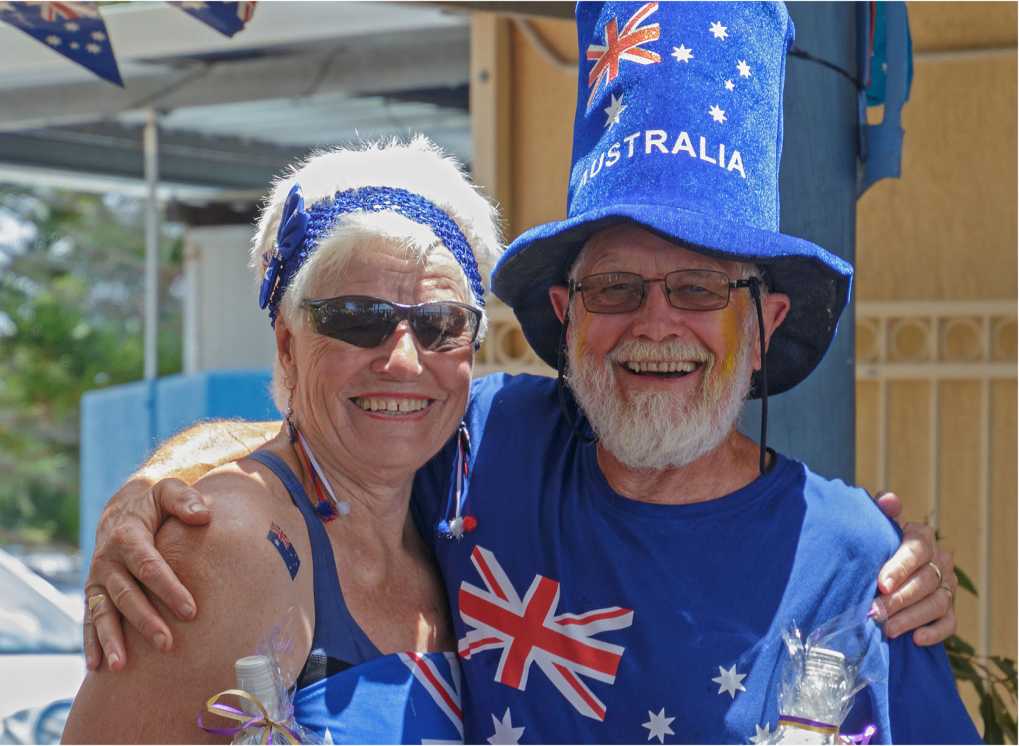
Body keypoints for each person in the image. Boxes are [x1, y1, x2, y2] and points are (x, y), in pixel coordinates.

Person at [81, 3, 969, 744]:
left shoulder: (859, 564)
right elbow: (330, 436)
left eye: (700, 287)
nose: (655, 323)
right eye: (615, 286)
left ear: (765, 321)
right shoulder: (487, 441)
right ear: (566, 314)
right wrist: (163, 487)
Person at [63, 138, 503, 743]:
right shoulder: (236, 544)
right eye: (356, 318)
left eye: (440, 325)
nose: (403, 360)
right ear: (287, 346)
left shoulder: (452, 499)